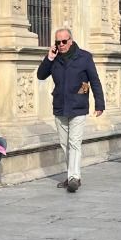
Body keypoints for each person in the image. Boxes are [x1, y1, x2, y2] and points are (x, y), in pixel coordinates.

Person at [37, 27, 104, 193]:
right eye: (57, 42)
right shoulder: (54, 59)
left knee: (74, 142)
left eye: (64, 41)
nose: (60, 45)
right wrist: (49, 58)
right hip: (60, 106)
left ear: (71, 41)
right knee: (65, 144)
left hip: (78, 105)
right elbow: (40, 75)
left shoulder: (85, 57)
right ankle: (71, 176)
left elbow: (94, 81)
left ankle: (74, 177)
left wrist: (99, 104)